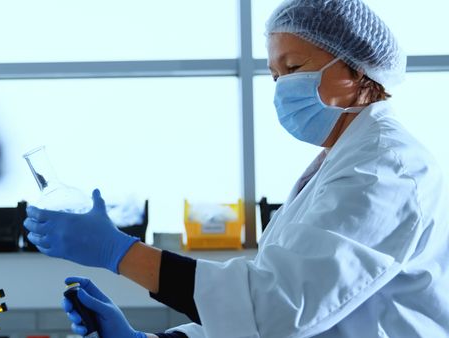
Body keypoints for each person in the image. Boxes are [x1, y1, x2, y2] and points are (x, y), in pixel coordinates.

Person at [24, 0, 449, 337]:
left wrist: (120, 253)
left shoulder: (386, 168)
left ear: (356, 70)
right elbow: (259, 311)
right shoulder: (340, 164)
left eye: (294, 68)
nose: (283, 86)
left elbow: (276, 309)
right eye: (274, 75)